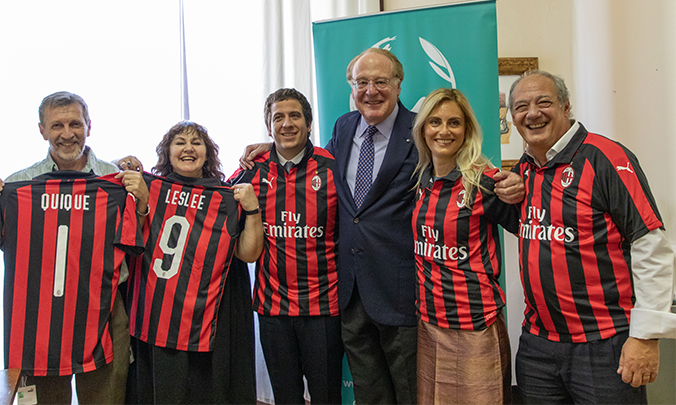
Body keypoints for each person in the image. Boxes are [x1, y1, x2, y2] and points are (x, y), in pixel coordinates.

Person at [240, 48, 525, 405]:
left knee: (410, 394)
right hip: (349, 292)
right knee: (369, 395)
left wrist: (509, 182)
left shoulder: (422, 129)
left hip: (401, 293)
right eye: (362, 82)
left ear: (398, 85)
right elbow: (314, 164)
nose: (370, 91)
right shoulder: (344, 126)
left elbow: (458, 162)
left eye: (380, 82)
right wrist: (275, 144)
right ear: (352, 87)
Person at [508, 70, 676, 404]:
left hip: (604, 344)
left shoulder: (606, 158)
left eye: (544, 102)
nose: (533, 113)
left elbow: (651, 246)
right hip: (538, 346)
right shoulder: (524, 170)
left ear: (566, 106)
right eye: (521, 107)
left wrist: (645, 336)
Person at [1, 91, 147, 405]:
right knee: (46, 400)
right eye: (57, 125)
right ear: (42, 130)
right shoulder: (19, 184)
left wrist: (141, 204)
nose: (67, 134)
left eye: (75, 124)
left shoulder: (115, 180)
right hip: (39, 310)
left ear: (89, 126)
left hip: (104, 304)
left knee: (106, 397)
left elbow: (137, 244)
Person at [125, 121, 262, 405]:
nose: (188, 148)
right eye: (180, 142)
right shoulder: (148, 188)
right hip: (158, 311)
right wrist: (121, 167)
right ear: (168, 152)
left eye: (196, 143)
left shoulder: (226, 195)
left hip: (208, 313)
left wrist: (252, 210)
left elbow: (248, 254)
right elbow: (128, 239)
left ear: (207, 153)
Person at [229, 88, 343, 405]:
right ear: (269, 127)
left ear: (309, 124)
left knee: (327, 396)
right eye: (278, 117)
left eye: (295, 116)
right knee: (286, 397)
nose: (287, 124)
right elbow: (212, 202)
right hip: (273, 309)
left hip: (323, 308)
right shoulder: (251, 171)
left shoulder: (333, 168)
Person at [411, 88, 519, 404]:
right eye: (435, 122)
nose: (444, 131)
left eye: (454, 123)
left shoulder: (484, 182)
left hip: (475, 326)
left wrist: (521, 185)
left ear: (467, 130)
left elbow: (528, 230)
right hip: (430, 324)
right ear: (423, 129)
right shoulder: (420, 180)